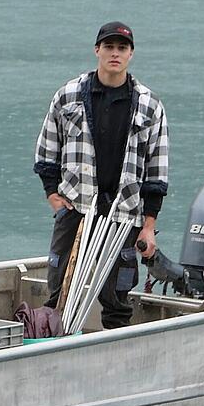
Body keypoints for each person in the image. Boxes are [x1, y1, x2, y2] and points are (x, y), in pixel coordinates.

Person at [33, 21, 169, 329]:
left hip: (124, 213)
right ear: (97, 50)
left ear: (131, 54)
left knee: (118, 295)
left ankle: (114, 346)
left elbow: (157, 169)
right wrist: (52, 195)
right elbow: (47, 150)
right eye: (109, 47)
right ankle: (55, 343)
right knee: (58, 288)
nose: (115, 53)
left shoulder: (149, 105)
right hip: (75, 207)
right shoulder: (67, 96)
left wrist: (149, 226)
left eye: (122, 48)